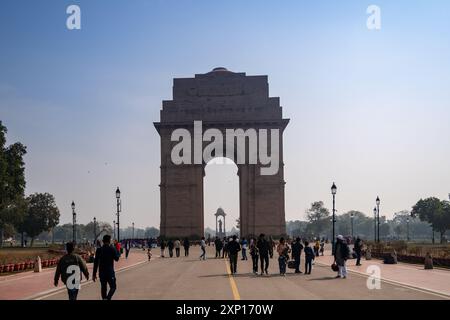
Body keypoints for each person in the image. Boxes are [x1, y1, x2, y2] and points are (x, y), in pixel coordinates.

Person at [93, 234, 120, 300]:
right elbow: (117, 259)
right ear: (109, 241)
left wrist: (94, 274)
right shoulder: (112, 249)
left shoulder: (99, 250)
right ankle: (108, 298)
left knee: (103, 287)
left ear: (103, 241)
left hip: (102, 272)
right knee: (113, 287)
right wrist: (117, 250)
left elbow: (96, 263)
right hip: (110, 272)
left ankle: (104, 298)